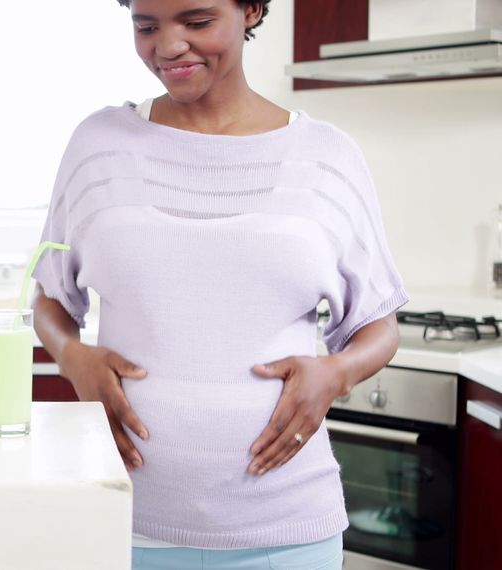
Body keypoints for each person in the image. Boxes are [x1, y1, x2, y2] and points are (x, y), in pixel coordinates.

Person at [30, 1, 407, 568]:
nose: (168, 46)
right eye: (146, 26)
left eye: (197, 22)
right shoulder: (98, 146)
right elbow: (50, 300)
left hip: (286, 531)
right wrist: (72, 356)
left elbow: (379, 326)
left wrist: (336, 371)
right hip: (125, 523)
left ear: (251, 8)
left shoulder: (328, 157)